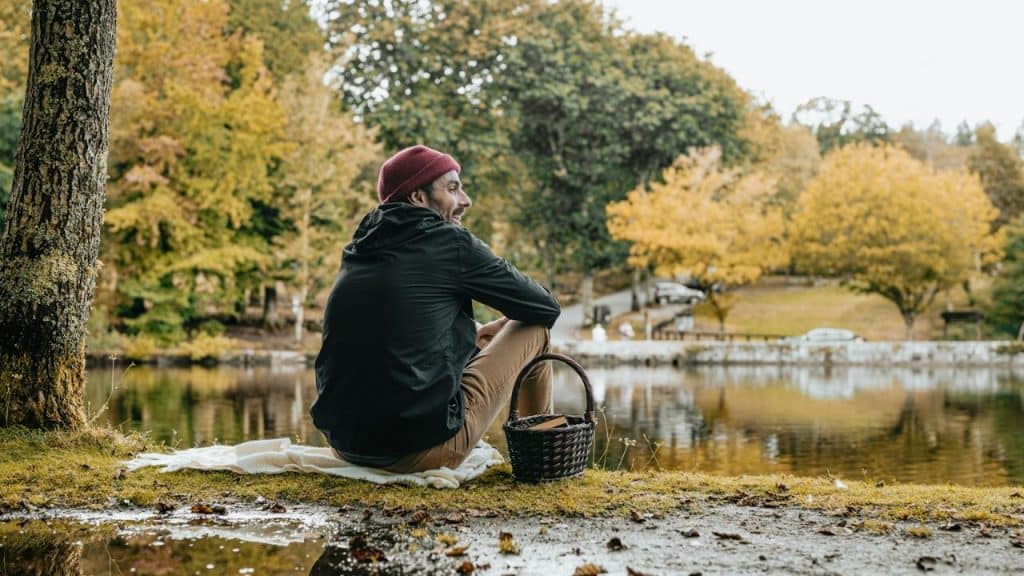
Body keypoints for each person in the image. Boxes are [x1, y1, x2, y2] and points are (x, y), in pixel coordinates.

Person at [310, 145, 561, 473]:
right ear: (418, 197)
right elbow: (545, 308)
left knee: (495, 334)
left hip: (345, 448)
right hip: (419, 452)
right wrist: (505, 321)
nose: (466, 200)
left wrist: (474, 335)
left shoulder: (361, 248)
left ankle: (540, 448)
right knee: (534, 330)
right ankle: (544, 459)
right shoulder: (450, 243)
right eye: (453, 188)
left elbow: (398, 331)